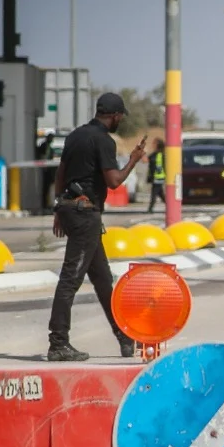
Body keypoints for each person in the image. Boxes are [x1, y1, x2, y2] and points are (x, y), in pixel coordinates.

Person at [46, 92, 146, 362]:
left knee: (103, 280)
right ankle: (58, 343)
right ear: (114, 116)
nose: (120, 121)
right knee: (70, 279)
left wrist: (58, 208)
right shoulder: (103, 140)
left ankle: (125, 339)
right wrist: (134, 160)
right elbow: (113, 182)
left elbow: (61, 173)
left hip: (71, 209)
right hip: (85, 216)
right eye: (120, 117)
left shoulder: (76, 136)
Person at [145, 136, 166, 212]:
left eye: (154, 143)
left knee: (154, 193)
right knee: (160, 193)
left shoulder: (161, 155)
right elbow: (146, 160)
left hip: (159, 177)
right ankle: (169, 206)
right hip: (156, 177)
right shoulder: (154, 154)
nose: (152, 145)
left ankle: (150, 209)